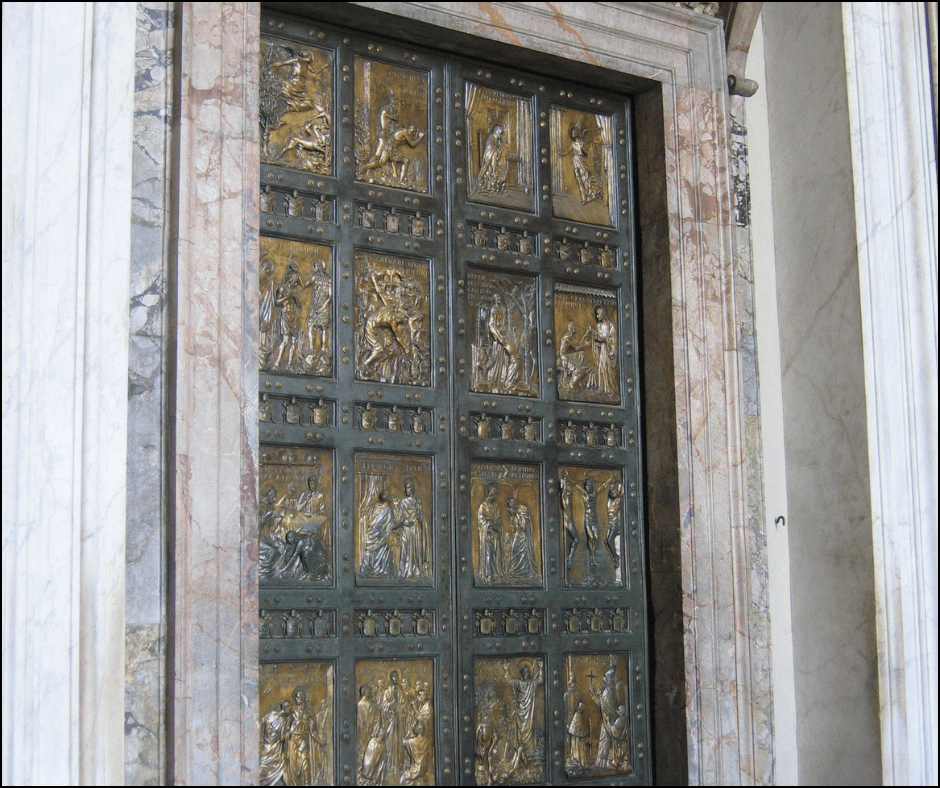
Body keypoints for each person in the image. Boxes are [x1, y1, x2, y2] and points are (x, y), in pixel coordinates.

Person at [506, 660, 543, 770]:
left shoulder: (532, 683)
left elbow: (540, 679)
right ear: (522, 673)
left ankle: (530, 753)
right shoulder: (519, 683)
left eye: (528, 672)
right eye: (525, 672)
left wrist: (541, 668)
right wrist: (506, 669)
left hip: (529, 713)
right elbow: (509, 680)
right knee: (520, 733)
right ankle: (520, 753)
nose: (526, 674)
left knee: (530, 731)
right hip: (520, 712)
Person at [358, 490, 402, 579]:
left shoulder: (374, 506)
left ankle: (366, 570)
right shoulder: (387, 509)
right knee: (384, 550)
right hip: (380, 536)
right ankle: (381, 571)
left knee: (371, 552)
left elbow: (371, 521)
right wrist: (402, 523)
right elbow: (392, 524)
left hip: (372, 535)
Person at [396, 478, 429, 579]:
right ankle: (406, 571)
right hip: (406, 529)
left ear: (413, 489)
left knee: (415, 549)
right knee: (405, 550)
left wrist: (419, 511)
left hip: (415, 528)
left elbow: (421, 517)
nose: (407, 490)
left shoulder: (417, 501)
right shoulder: (403, 502)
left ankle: (416, 569)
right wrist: (403, 522)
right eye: (406, 488)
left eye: (409, 488)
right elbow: (399, 517)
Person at [586, 305, 617, 398]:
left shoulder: (610, 325)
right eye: (596, 315)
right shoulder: (599, 325)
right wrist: (593, 334)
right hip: (602, 350)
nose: (597, 316)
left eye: (598, 314)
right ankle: (602, 387)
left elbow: (613, 339)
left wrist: (605, 340)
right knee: (601, 368)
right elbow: (598, 338)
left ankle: (609, 389)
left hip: (607, 350)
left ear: (603, 313)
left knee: (606, 367)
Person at [477, 483, 503, 583]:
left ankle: (495, 572)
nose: (493, 497)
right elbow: (481, 520)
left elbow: (498, 517)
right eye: (491, 495)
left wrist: (496, 523)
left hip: (495, 533)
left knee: (495, 553)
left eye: (494, 495)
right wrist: (488, 524)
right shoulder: (482, 506)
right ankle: (488, 574)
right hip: (486, 534)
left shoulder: (496, 505)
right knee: (488, 553)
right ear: (488, 494)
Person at [260, 701, 290, 786]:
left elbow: (262, 723)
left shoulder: (271, 714)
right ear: (285, 709)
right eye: (289, 709)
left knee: (263, 768)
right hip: (275, 748)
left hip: (267, 746)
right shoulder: (283, 719)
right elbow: (283, 737)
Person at [507, 497, 537, 579]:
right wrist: (513, 515)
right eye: (510, 506)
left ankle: (525, 571)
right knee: (514, 551)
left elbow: (524, 525)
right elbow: (512, 525)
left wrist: (516, 514)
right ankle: (515, 571)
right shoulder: (515, 511)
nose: (512, 507)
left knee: (524, 553)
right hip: (517, 534)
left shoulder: (523, 509)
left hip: (523, 535)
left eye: (512, 504)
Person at [477, 123, 505, 193]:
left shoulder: (494, 139)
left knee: (496, 171)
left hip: (493, 160)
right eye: (500, 133)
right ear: (496, 132)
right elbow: (491, 150)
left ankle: (491, 186)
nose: (500, 136)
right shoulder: (491, 139)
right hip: (490, 159)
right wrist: (497, 150)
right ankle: (486, 185)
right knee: (490, 171)